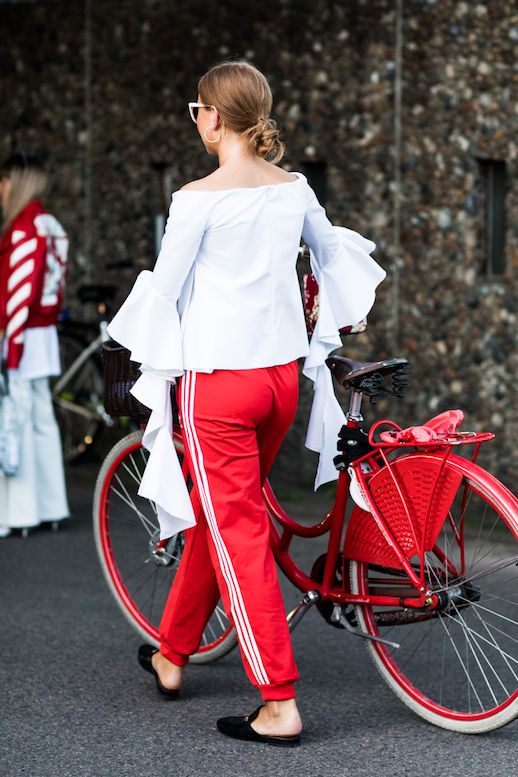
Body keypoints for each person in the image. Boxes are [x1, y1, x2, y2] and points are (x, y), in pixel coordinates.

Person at [108, 61, 385, 745]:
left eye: (194, 110)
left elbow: (164, 291)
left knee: (238, 535)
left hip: (219, 388)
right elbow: (330, 256)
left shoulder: (197, 198)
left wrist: (127, 358)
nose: (195, 120)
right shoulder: (293, 189)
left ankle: (279, 698)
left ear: (213, 117)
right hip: (279, 384)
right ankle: (173, 652)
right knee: (222, 516)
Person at [0, 152, 69, 537]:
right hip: (42, 334)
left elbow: (18, 295)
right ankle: (50, 506)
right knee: (41, 420)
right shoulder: (48, 222)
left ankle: (20, 514)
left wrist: (11, 344)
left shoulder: (25, 227)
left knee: (18, 420)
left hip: (23, 335)